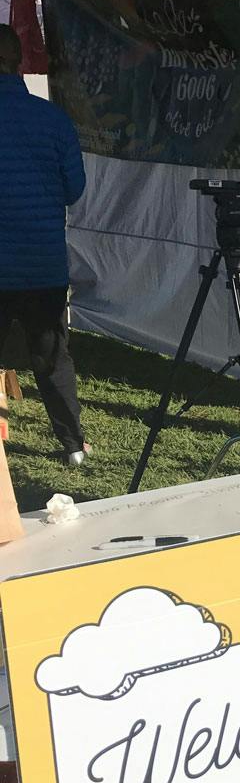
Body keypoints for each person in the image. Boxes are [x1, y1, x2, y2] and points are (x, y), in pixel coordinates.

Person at [0, 23, 89, 466]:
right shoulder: (54, 120)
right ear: (18, 62)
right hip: (42, 263)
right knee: (53, 359)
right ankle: (73, 446)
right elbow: (75, 189)